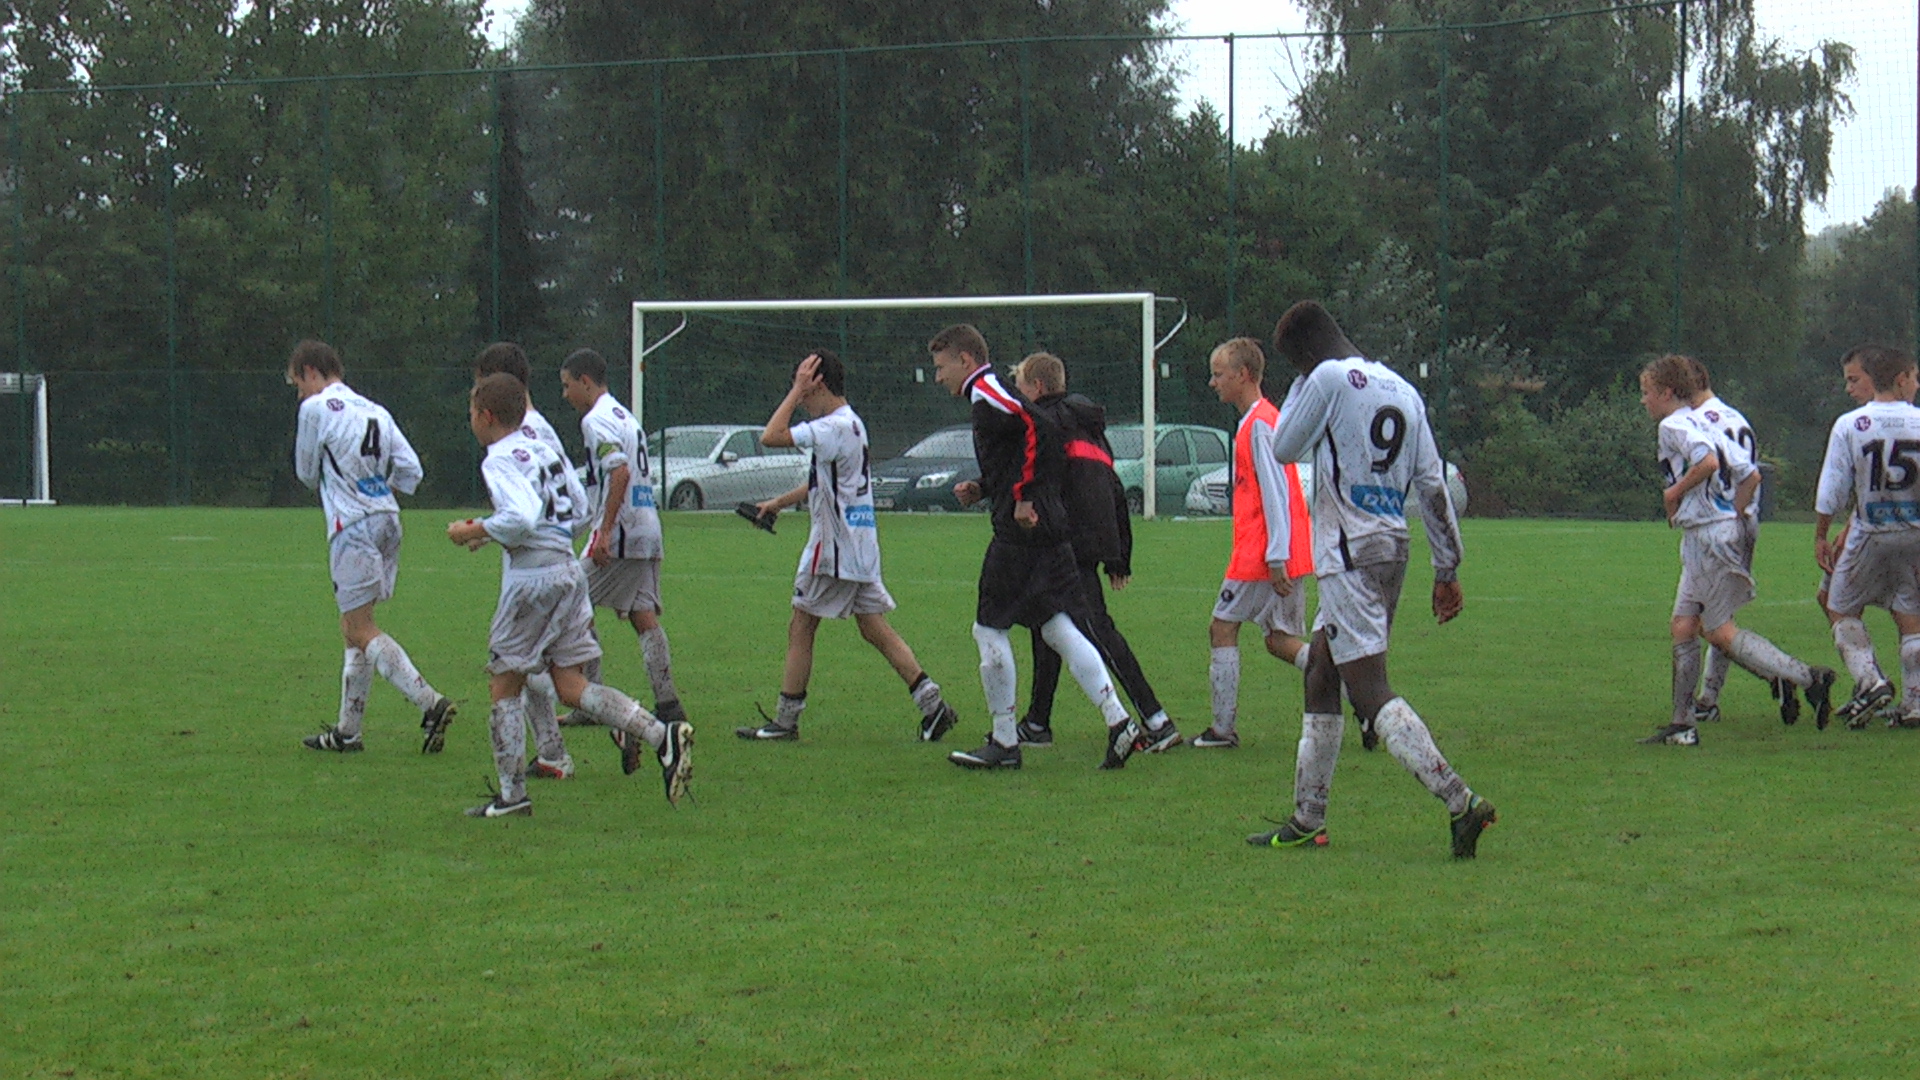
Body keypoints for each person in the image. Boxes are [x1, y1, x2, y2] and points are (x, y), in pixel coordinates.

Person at [1248, 301, 1494, 858]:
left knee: (1369, 688)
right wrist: (1447, 568)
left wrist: (1305, 381)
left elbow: (1284, 446)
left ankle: (1461, 801)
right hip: (1391, 548)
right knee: (1321, 671)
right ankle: (1308, 818)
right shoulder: (1403, 389)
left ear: (1305, 357)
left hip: (1347, 553)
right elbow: (1432, 485)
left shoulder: (1327, 379)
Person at [447, 373, 693, 818]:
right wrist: (518, 533)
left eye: (471, 413)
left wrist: (475, 529)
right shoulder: (543, 450)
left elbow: (521, 518)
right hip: (567, 572)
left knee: (504, 682)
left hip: (533, 582)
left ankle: (512, 797)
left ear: (485, 416)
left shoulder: (498, 459)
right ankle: (662, 735)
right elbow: (580, 509)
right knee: (571, 685)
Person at [928, 324, 1141, 771]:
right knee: (1056, 627)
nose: (938, 376)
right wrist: (987, 488)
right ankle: (1119, 722)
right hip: (1046, 527)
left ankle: (1005, 741)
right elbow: (1022, 445)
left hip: (1021, 533)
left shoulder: (986, 391)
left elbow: (1038, 427)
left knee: (988, 629)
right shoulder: (992, 393)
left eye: (941, 366)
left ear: (965, 360)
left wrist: (1024, 497)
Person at [733, 349, 961, 742]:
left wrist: (794, 390)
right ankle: (934, 706)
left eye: (805, 390)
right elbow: (824, 481)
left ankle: (785, 721)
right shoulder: (851, 423)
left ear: (817, 384)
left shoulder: (832, 426)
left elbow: (771, 436)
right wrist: (778, 503)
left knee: (802, 624)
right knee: (873, 627)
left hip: (834, 550)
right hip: (859, 545)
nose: (802, 401)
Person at [1638, 353, 1835, 745]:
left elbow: (1708, 462)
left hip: (1708, 537)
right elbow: (1751, 474)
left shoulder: (1673, 425)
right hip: (1713, 533)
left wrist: (1675, 494)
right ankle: (1682, 724)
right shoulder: (1707, 421)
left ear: (1666, 392)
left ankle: (1805, 677)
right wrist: (1736, 513)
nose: (1643, 401)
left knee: (1719, 631)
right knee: (1684, 626)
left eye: (1647, 392)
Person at [288, 339, 456, 755]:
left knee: (360, 628)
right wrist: (378, 490)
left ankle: (429, 701)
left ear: (310, 372)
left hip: (352, 525)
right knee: (354, 627)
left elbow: (306, 473)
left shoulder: (315, 408)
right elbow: (412, 471)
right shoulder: (377, 410)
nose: (299, 393)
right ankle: (348, 731)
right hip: (387, 519)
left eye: (298, 383)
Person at [1008, 352, 1180, 752]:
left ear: (1037, 387)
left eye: (1020, 387)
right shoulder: (1089, 427)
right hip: (1085, 540)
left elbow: (1034, 481)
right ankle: (1036, 722)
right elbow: (1113, 491)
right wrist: (1119, 554)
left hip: (1065, 542)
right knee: (1047, 625)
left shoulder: (1045, 423)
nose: (1017, 396)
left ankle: (1157, 720)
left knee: (1096, 630)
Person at [558, 348, 690, 760]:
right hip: (647, 526)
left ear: (585, 382)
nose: (565, 395)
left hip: (622, 533)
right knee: (642, 616)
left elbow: (619, 472)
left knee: (568, 599)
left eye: (567, 385)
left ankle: (592, 699)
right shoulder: (624, 416)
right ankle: (669, 705)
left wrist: (604, 531)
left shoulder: (595, 420)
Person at [1192, 337, 1315, 750]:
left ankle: (1222, 730)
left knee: (1222, 627)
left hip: (1261, 555)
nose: (1213, 383)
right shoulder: (1260, 420)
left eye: (1219, 374)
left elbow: (1275, 491)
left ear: (1243, 375)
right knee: (1279, 641)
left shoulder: (1260, 424)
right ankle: (1360, 695)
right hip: (1276, 551)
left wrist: (1276, 556)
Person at [472, 342, 579, 779]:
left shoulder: (522, 436)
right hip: (543, 559)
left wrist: (485, 530)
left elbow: (532, 512)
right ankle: (553, 750)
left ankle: (637, 727)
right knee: (535, 664)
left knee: (522, 664)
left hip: (536, 567)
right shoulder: (536, 428)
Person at [1815, 344, 1920, 728]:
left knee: (1838, 606)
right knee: (1911, 616)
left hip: (1871, 534)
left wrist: (1821, 534)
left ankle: (1870, 680)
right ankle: (1915, 703)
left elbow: (1832, 488)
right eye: (1915, 377)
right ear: (1901, 379)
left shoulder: (1851, 424)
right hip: (1914, 535)